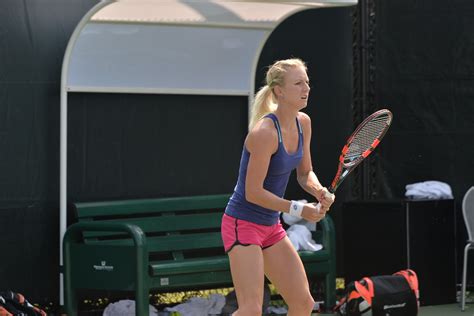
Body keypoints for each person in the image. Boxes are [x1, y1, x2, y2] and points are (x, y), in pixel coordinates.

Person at [221, 58, 336, 316]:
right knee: (250, 309)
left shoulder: (303, 123)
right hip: (242, 224)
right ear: (279, 91)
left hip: (270, 227)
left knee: (303, 303)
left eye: (307, 82)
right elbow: (253, 192)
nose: (305, 88)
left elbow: (305, 173)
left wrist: (319, 191)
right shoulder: (265, 133)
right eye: (298, 83)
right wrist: (298, 210)